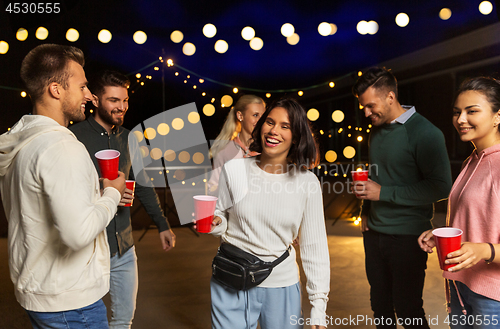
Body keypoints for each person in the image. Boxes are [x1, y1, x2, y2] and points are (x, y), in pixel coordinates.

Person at [0, 44, 125, 328]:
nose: (88, 95)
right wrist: (112, 193)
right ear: (56, 90)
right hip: (70, 303)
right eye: (81, 87)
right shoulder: (61, 147)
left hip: (41, 292)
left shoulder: (23, 141)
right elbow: (77, 233)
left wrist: (96, 192)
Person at [198, 98, 330, 329]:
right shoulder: (234, 169)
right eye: (269, 122)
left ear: (296, 136)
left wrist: (319, 306)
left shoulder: (307, 182)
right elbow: (221, 217)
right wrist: (214, 221)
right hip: (230, 279)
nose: (273, 130)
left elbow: (314, 247)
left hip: (281, 284)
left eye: (284, 126)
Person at [70, 70, 175, 328]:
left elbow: (143, 185)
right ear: (95, 100)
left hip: (124, 248)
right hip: (88, 249)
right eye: (114, 100)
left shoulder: (130, 138)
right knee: (84, 321)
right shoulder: (74, 137)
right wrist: (105, 191)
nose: (122, 107)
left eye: (125, 100)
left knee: (123, 320)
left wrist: (162, 224)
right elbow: (67, 189)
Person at [352, 67, 452, 328]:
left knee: (408, 309)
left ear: (391, 97)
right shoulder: (377, 130)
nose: (366, 113)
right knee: (380, 307)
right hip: (374, 235)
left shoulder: (426, 133)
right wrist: (365, 212)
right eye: (363, 106)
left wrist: (382, 193)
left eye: (370, 105)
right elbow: (379, 177)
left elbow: (441, 187)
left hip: (409, 237)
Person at [419, 77, 500, 325]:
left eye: (472, 111)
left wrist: (484, 249)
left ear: (498, 116)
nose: (460, 119)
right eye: (457, 112)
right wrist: (442, 234)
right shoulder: (472, 160)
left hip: (492, 295)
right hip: (461, 285)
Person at [207, 94, 265, 195]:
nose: (260, 121)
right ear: (240, 116)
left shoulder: (268, 149)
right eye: (255, 115)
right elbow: (212, 189)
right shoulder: (225, 151)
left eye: (263, 116)